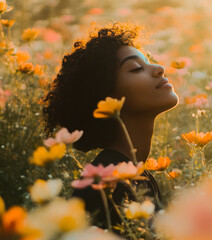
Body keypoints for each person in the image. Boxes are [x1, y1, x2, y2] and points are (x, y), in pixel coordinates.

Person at [42, 23, 179, 232]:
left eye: (148, 62)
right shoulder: (103, 185)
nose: (159, 69)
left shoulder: (136, 174)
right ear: (106, 96)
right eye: (136, 68)